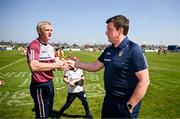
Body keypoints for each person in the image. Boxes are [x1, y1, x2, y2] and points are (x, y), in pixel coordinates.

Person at [68, 15, 150, 118]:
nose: (106, 32)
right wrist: (75, 63)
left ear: (120, 30)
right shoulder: (109, 50)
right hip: (109, 100)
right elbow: (95, 65)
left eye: (109, 29)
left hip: (125, 102)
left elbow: (144, 81)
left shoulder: (134, 49)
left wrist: (130, 104)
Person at [27, 21, 69, 118]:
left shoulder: (50, 47)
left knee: (48, 110)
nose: (50, 32)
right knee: (42, 115)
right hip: (40, 84)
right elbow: (33, 66)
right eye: (47, 30)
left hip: (49, 82)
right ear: (39, 31)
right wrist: (57, 65)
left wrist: (65, 63)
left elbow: (55, 61)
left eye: (51, 30)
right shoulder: (34, 45)